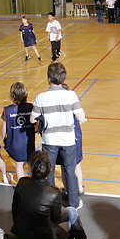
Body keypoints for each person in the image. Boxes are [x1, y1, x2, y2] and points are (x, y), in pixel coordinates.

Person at [30, 63, 86, 209]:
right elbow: (80, 116)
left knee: (49, 171)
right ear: (63, 78)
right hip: (68, 140)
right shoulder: (71, 95)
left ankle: (52, 203)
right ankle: (73, 203)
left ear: (48, 78)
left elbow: (32, 119)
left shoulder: (41, 97)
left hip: (49, 140)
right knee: (69, 171)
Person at [12, 151, 88, 239]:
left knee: (72, 212)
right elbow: (55, 219)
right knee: (72, 217)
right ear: (49, 170)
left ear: (31, 169)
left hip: (22, 234)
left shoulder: (21, 183)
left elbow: (14, 211)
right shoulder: (54, 193)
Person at [2, 81, 35, 181]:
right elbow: (35, 123)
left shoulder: (7, 110)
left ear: (12, 95)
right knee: (30, 163)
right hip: (28, 142)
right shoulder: (30, 107)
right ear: (25, 94)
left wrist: (3, 139)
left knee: (19, 164)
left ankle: (21, 186)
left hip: (15, 143)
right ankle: (33, 184)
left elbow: (4, 128)